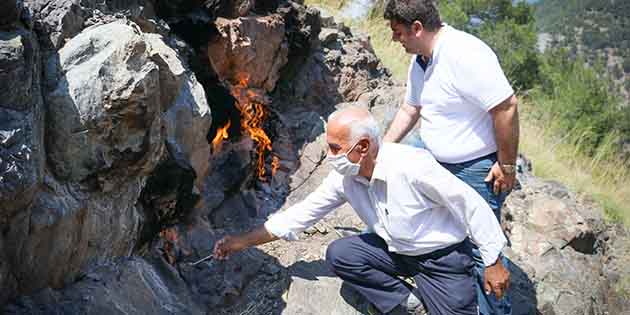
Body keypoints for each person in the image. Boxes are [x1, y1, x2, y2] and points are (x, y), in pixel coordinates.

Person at [213, 106, 510, 315]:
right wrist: (239, 242)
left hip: (441, 259)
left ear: (364, 146)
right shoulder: (344, 177)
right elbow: (300, 215)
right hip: (395, 251)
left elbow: (470, 204)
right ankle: (408, 304)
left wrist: (493, 261)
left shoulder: (412, 167)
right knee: (342, 254)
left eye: (335, 148)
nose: (330, 157)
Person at [381, 1, 519, 314]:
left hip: (476, 168)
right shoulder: (421, 60)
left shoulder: (465, 53)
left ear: (417, 28)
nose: (394, 39)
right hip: (435, 160)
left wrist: (507, 166)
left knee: (484, 248)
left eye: (398, 32)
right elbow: (410, 108)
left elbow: (506, 106)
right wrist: (384, 151)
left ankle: (495, 311)